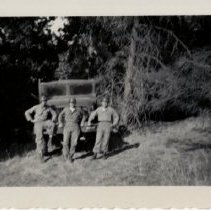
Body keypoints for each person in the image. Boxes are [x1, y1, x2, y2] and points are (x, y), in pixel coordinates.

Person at [25, 95, 57, 162]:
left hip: (45, 122)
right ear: (41, 101)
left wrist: (53, 118)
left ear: (46, 101)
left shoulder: (48, 108)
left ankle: (50, 138)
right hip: (38, 123)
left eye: (45, 101)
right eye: (43, 101)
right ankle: (41, 156)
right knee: (39, 139)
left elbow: (54, 114)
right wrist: (31, 120)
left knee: (53, 124)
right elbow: (27, 112)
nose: (44, 102)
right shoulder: (36, 107)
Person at [58, 97, 85, 163]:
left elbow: (84, 115)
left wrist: (82, 122)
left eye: (73, 103)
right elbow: (60, 115)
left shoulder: (78, 109)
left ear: (75, 103)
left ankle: (70, 156)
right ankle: (65, 155)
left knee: (74, 143)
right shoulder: (66, 109)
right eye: (70, 103)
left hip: (76, 126)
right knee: (65, 142)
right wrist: (60, 122)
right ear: (69, 103)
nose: (72, 104)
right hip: (67, 126)